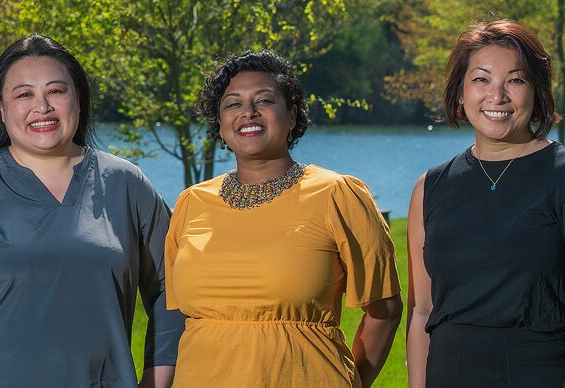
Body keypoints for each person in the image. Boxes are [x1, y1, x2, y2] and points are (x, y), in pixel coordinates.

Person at [0, 34, 181, 387]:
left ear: (78, 98)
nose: (42, 107)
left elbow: (177, 290)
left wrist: (155, 381)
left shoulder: (127, 184)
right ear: (1, 108)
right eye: (24, 94)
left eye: (56, 91)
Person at [165, 51, 402, 387]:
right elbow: (185, 317)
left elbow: (385, 311)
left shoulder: (338, 194)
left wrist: (349, 382)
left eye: (264, 100)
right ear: (220, 124)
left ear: (291, 117)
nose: (248, 112)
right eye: (233, 104)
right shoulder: (191, 204)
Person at [406, 20, 565, 387]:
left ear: (536, 93)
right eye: (481, 79)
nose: (497, 96)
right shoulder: (431, 186)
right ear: (460, 93)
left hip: (537, 374)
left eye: (515, 81)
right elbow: (423, 310)